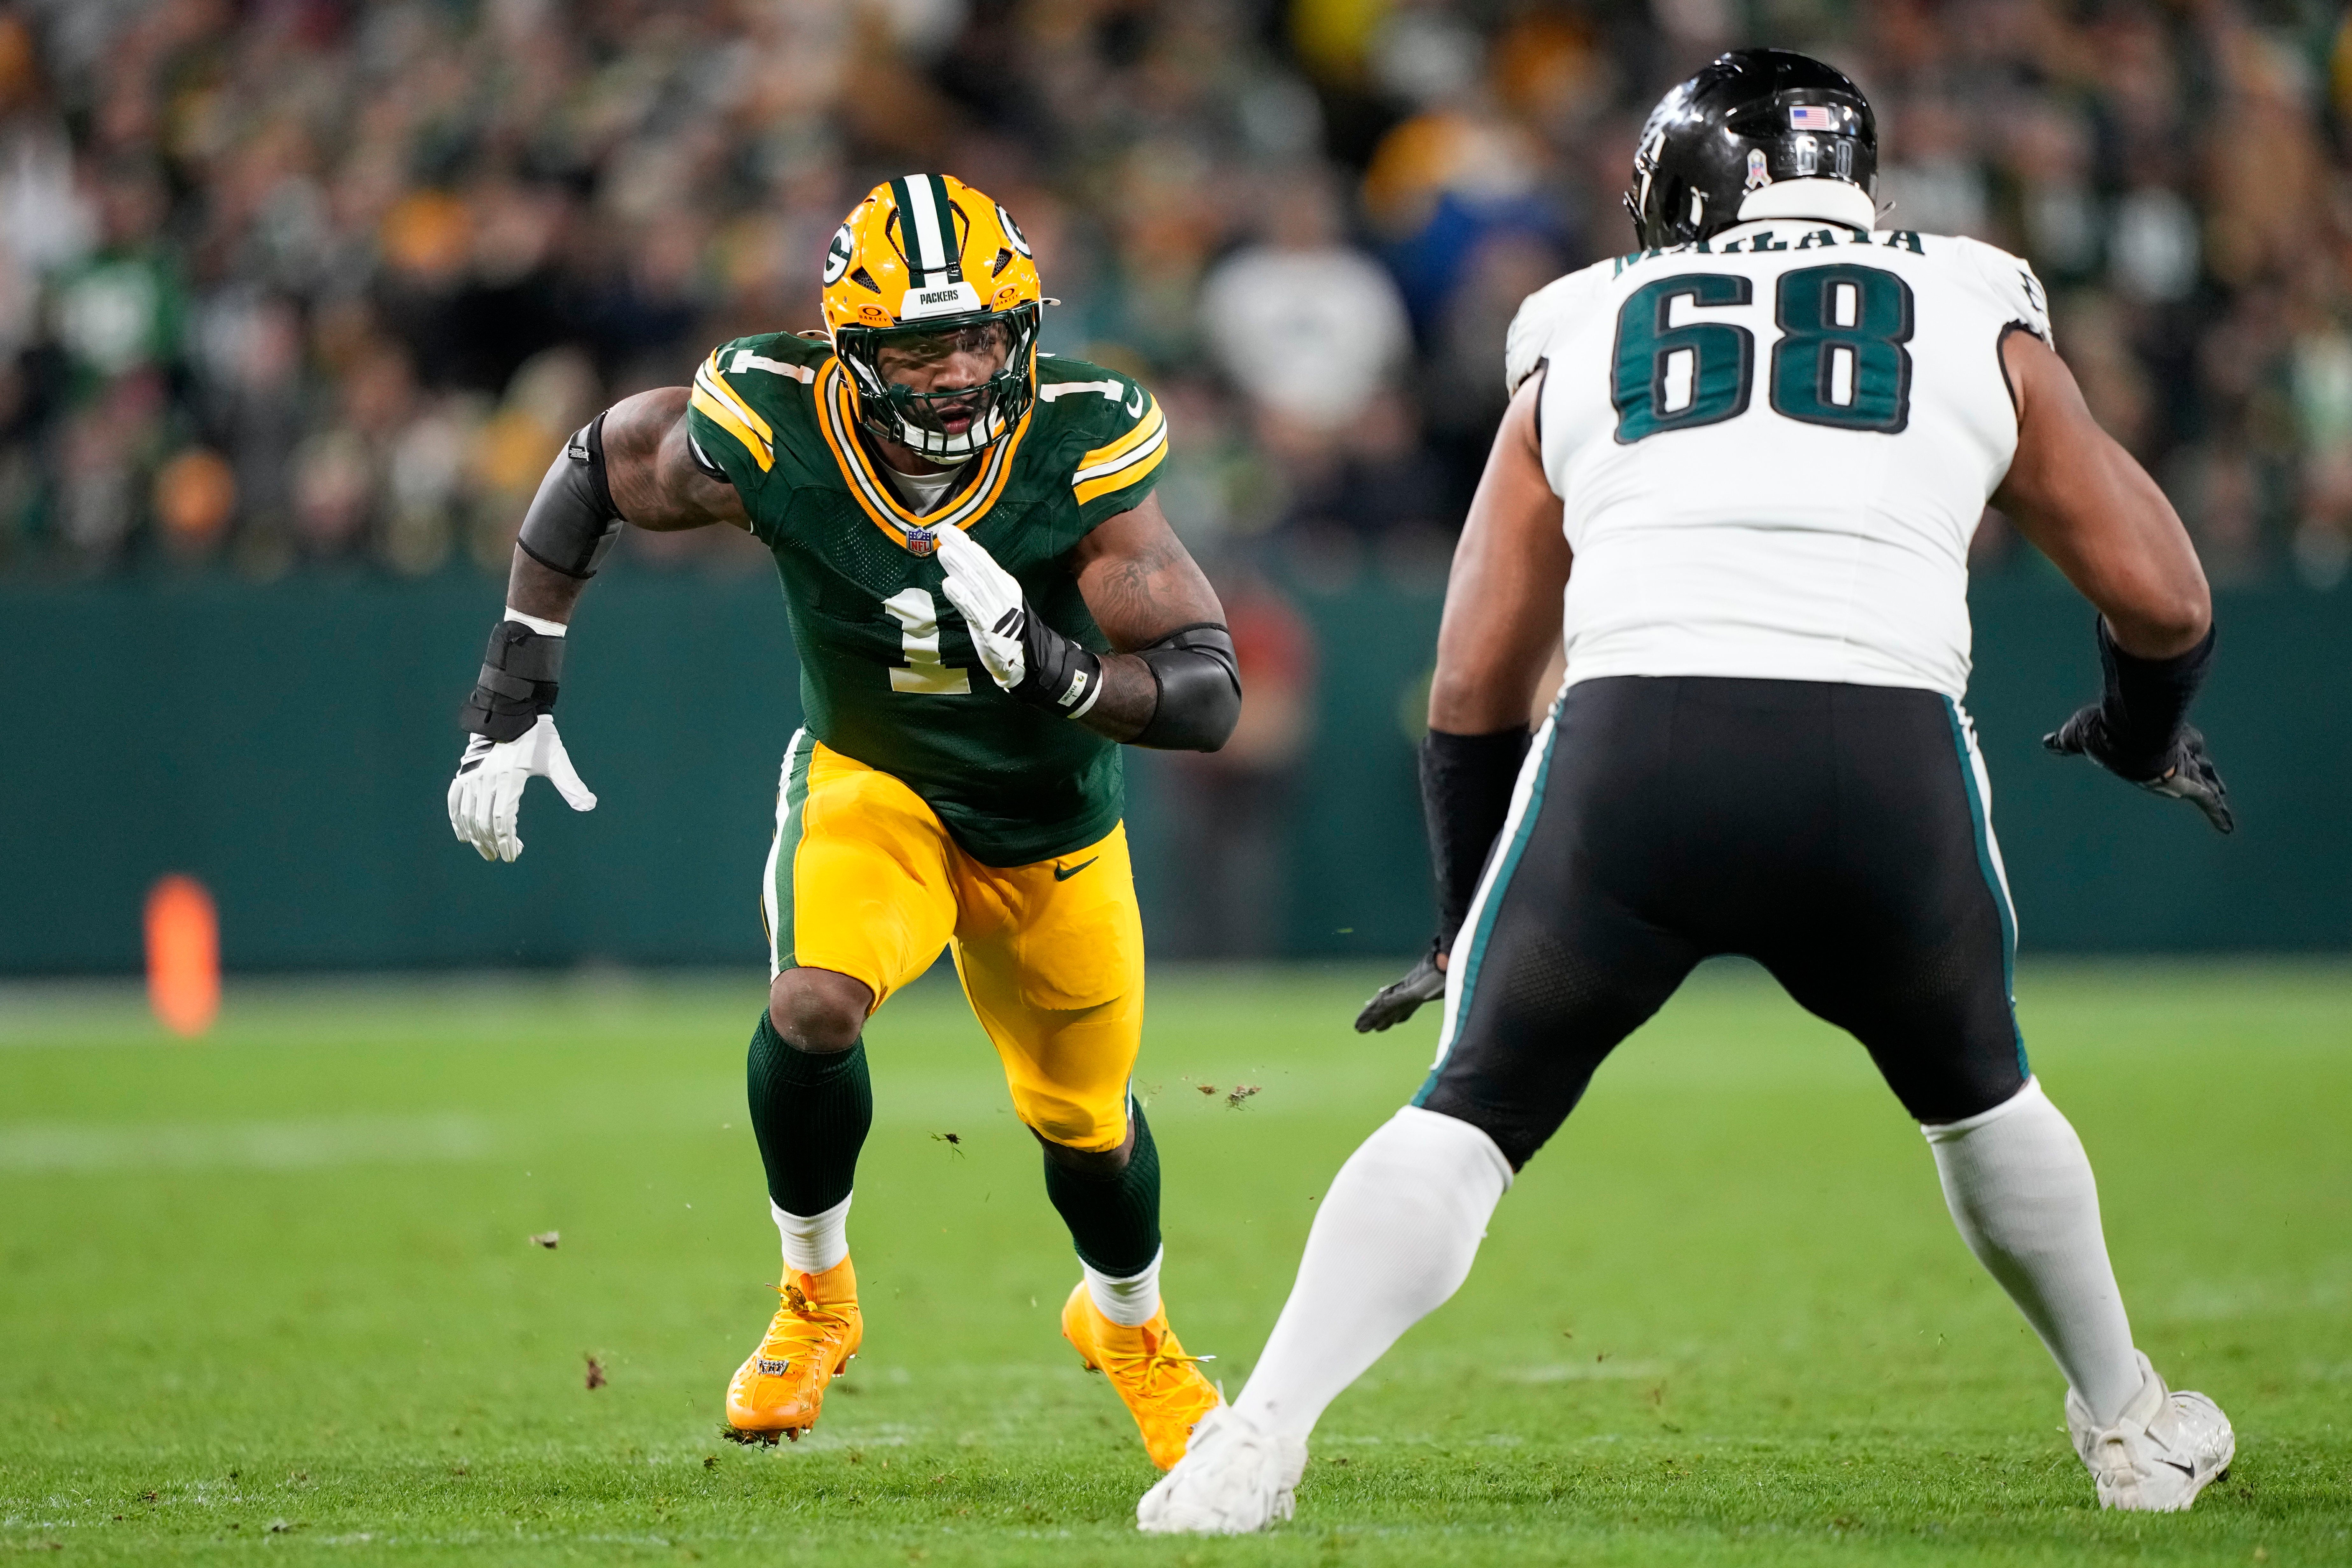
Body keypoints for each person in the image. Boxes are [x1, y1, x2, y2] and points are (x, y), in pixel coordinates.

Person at [1139, 51, 2236, 1533]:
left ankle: (1252, 1441)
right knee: (1984, 1098)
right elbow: (2166, 596)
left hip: (1635, 746)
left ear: (1679, 190)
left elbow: (1472, 681)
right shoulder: (1977, 298)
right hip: (1883, 751)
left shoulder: (1582, 318)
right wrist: (2134, 725)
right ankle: (2129, 1421)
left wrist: (1466, 915)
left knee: (1467, 1114)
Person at [445, 174, 1238, 1469]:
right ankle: (815, 1297)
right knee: (813, 1003)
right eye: (924, 346)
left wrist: (1060, 671)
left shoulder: (1077, 438)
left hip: (1050, 818)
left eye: (984, 336)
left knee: (1087, 1128)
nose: (960, 373)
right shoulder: (773, 421)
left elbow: (1207, 690)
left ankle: (1130, 1327)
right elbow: (599, 464)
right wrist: (514, 677)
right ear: (852, 352)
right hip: (878, 782)